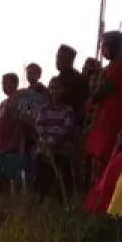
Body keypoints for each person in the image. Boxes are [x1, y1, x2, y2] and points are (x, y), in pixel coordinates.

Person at [84, 31, 122, 182]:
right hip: (105, 119)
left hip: (113, 121)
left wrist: (94, 83)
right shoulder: (113, 66)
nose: (102, 49)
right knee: (98, 161)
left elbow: (99, 93)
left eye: (105, 45)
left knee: (105, 162)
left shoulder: (120, 66)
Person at [33, 76, 79, 204]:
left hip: (61, 151)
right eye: (52, 88)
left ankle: (63, 202)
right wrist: (46, 139)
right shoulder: (44, 109)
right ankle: (40, 201)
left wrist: (53, 139)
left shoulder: (67, 110)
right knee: (41, 176)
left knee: (63, 179)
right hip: (45, 151)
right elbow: (39, 126)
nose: (54, 91)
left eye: (57, 88)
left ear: (62, 90)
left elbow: (67, 128)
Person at [0, 73, 25, 194]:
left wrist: (17, 145)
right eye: (3, 83)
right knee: (2, 177)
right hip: (1, 148)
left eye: (6, 83)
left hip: (13, 148)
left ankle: (19, 202)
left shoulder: (19, 103)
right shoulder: (2, 104)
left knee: (15, 178)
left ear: (15, 84)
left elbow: (21, 127)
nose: (4, 86)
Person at [55, 44, 91, 122]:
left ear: (70, 60)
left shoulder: (78, 80)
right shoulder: (60, 77)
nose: (57, 61)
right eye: (57, 58)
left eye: (61, 58)